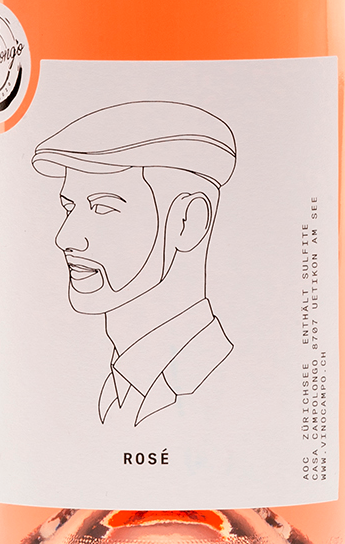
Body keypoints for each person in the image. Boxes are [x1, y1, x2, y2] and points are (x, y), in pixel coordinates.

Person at [33, 100, 236, 426]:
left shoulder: (217, 383)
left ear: (188, 222)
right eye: (69, 207)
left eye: (102, 207)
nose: (65, 237)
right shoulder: (114, 387)